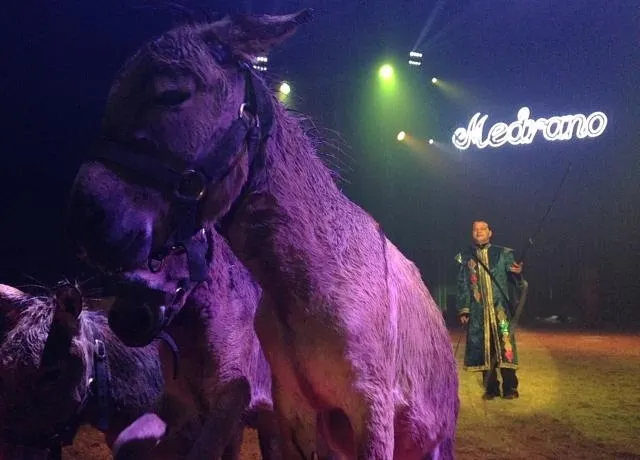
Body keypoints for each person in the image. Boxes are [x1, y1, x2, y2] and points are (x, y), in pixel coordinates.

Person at [455, 220, 525, 400]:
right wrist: (464, 309)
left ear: (490, 232)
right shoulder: (466, 257)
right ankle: (491, 388)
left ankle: (510, 388)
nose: (479, 231)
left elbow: (514, 279)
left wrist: (518, 273)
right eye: (475, 229)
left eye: (482, 229)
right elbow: (463, 284)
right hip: (478, 313)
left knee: (505, 347)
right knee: (484, 350)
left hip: (500, 311)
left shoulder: (503, 253)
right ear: (472, 233)